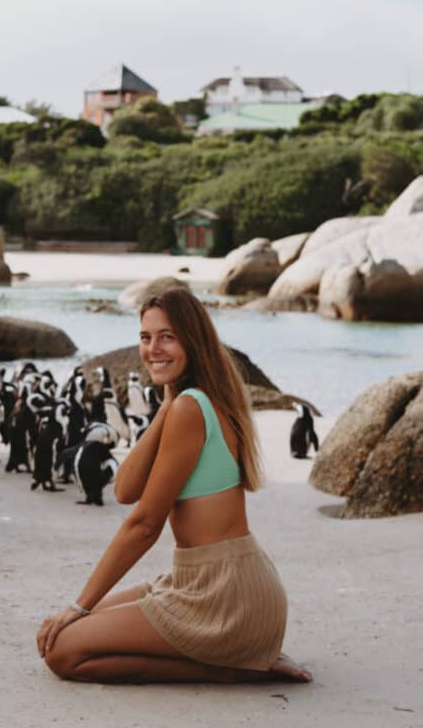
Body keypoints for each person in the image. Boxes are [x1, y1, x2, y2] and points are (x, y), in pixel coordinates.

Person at [36, 288, 311, 684]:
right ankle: (243, 657)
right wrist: (165, 406)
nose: (152, 349)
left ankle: (227, 669)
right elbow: (124, 489)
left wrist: (77, 606)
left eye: (167, 336)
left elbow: (144, 524)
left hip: (223, 597)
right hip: (218, 584)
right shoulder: (191, 402)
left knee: (63, 651)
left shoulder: (191, 408)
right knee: (72, 631)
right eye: (146, 337)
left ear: (192, 341)